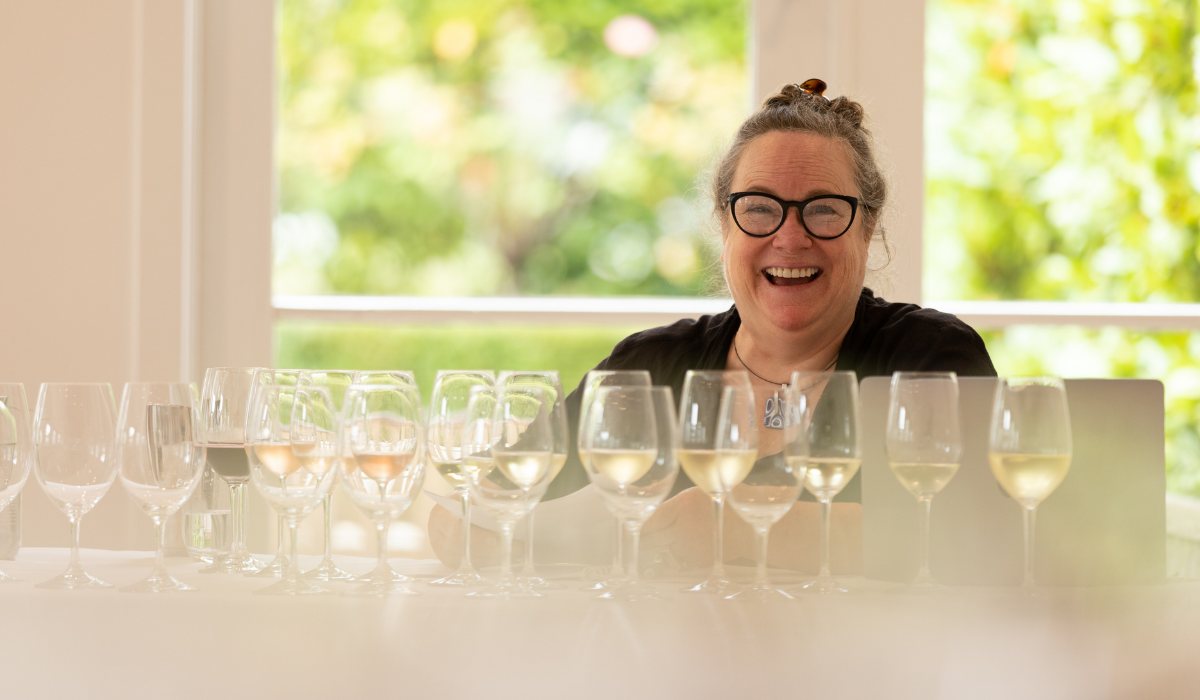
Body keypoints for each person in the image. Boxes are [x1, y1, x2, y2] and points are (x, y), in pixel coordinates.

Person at [428, 79, 995, 573]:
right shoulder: (646, 369)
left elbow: (981, 545)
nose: (790, 237)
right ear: (725, 224)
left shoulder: (929, 357)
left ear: (866, 227)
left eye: (824, 208)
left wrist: (737, 528)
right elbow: (480, 514)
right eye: (759, 207)